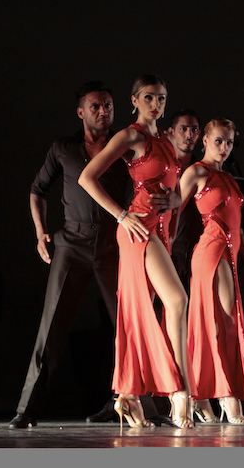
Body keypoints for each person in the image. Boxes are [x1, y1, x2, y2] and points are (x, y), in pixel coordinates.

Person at [9, 82, 137, 429]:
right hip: (71, 243)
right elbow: (37, 191)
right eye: (95, 106)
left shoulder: (124, 147)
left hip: (113, 243)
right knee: (51, 327)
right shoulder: (63, 148)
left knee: (129, 325)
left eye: (108, 105)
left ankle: (133, 404)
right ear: (80, 111)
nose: (103, 111)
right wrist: (40, 234)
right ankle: (28, 407)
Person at [78, 74, 194, 429]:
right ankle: (180, 394)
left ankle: (127, 396)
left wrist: (177, 199)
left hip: (160, 228)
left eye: (161, 98)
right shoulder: (131, 135)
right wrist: (122, 214)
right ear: (134, 100)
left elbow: (174, 189)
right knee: (177, 301)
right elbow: (87, 178)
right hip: (139, 228)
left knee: (149, 311)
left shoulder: (166, 139)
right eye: (148, 98)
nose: (156, 104)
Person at [179, 117, 244, 425]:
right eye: (218, 141)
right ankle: (223, 399)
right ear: (205, 140)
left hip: (230, 253)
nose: (224, 148)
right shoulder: (197, 172)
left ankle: (201, 397)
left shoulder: (228, 176)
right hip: (210, 252)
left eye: (229, 142)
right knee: (223, 323)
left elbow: (236, 226)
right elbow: (175, 209)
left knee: (222, 324)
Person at [166, 109, 204, 293]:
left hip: (199, 248)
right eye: (183, 128)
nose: (189, 135)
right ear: (171, 132)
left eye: (194, 129)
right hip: (171, 247)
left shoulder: (204, 170)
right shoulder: (163, 168)